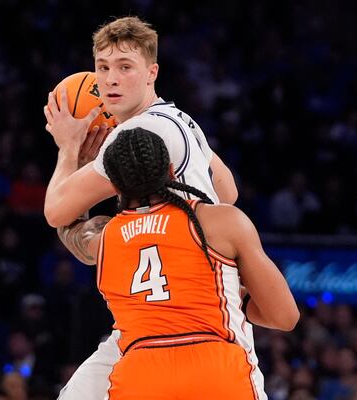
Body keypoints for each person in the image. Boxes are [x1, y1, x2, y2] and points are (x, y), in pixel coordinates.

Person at [43, 16, 240, 400]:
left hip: (184, 308)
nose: (110, 79)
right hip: (174, 305)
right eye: (103, 68)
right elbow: (228, 191)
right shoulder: (183, 120)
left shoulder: (136, 134)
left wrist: (68, 146)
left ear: (152, 73)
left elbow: (56, 211)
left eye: (124, 67)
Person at [57, 128, 299, 398]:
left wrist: (72, 157)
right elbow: (285, 317)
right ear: (171, 171)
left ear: (113, 185)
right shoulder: (219, 221)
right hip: (215, 370)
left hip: (140, 376)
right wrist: (236, 299)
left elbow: (65, 220)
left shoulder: (103, 239)